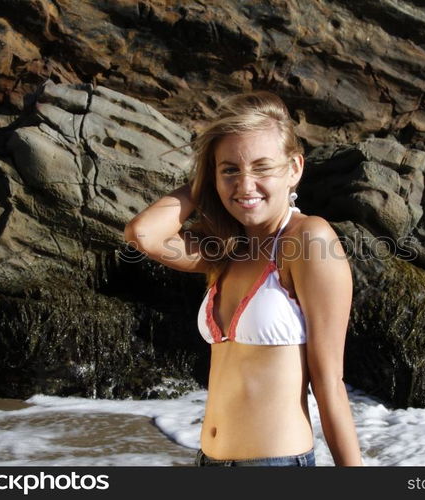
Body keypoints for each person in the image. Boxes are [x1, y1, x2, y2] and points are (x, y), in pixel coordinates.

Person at [124, 91, 362, 466]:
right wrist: (205, 183)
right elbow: (144, 234)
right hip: (208, 462)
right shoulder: (227, 250)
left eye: (263, 167)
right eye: (230, 169)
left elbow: (330, 383)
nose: (245, 185)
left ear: (294, 169)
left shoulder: (307, 240)